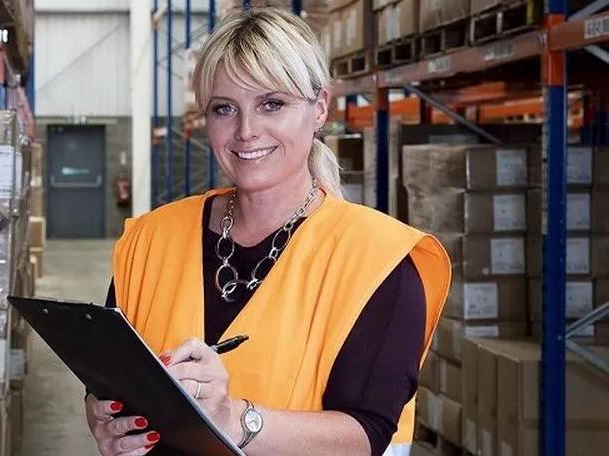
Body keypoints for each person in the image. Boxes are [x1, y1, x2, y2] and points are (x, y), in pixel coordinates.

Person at [84, 7, 450, 456]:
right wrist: (103, 419)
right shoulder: (149, 240)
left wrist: (235, 420)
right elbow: (108, 377)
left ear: (319, 108)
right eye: (224, 109)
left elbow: (367, 433)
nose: (246, 131)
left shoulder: (381, 260)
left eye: (271, 104)